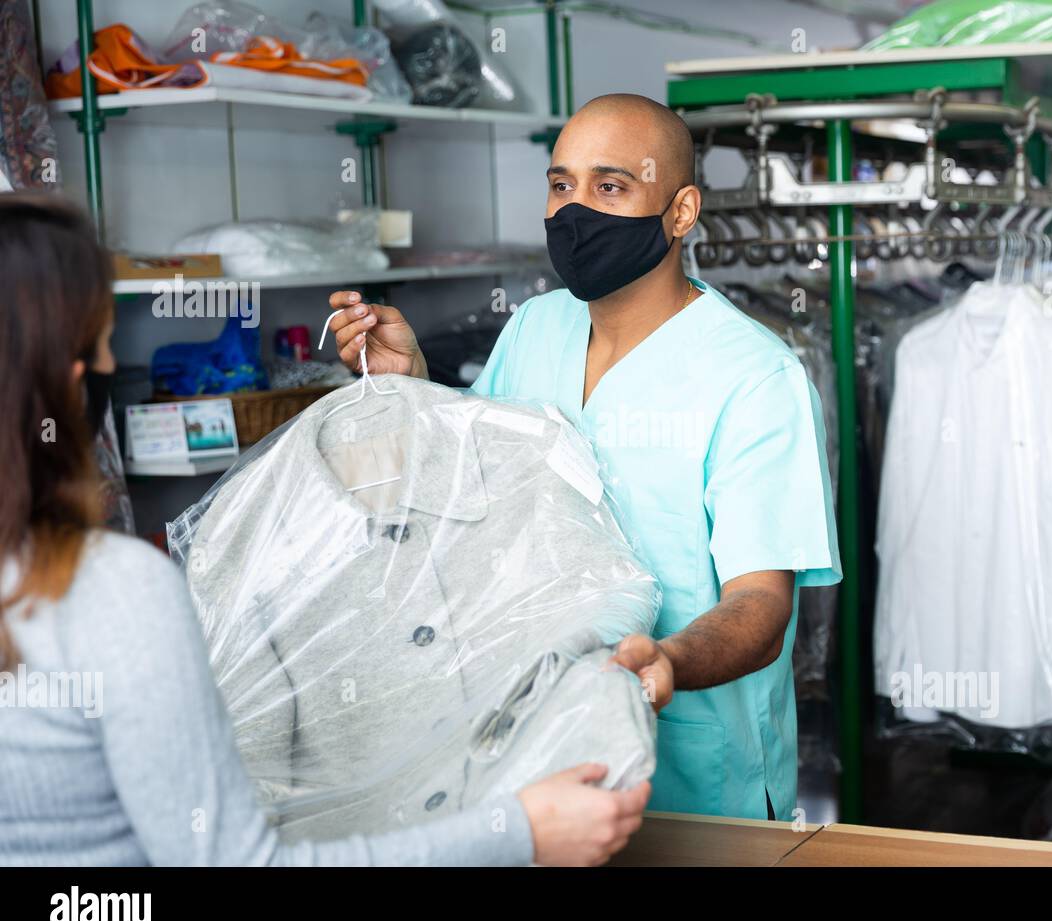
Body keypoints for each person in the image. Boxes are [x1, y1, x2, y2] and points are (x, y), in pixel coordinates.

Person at [0, 192, 648, 866]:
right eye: (106, 344)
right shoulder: (115, 590)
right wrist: (520, 833)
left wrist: (411, 396)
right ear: (72, 380)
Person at [327, 93, 841, 822]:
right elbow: (476, 489)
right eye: (560, 184)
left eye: (610, 186)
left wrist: (666, 662)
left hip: (695, 769)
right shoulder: (536, 327)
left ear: (682, 211)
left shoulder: (755, 375)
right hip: (540, 748)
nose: (574, 210)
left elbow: (760, 603)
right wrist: (413, 385)